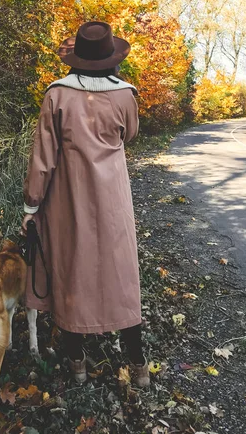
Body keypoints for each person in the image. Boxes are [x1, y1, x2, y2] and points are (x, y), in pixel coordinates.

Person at [21, 21, 149, 387]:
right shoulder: (125, 95)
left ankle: (77, 362)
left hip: (67, 198)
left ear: (75, 58)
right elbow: (131, 134)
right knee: (120, 273)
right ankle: (138, 367)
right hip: (112, 200)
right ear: (111, 59)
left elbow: (42, 159)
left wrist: (32, 207)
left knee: (71, 267)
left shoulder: (56, 96)